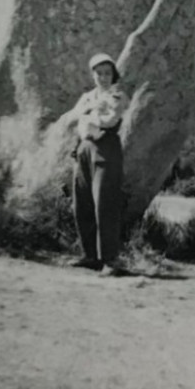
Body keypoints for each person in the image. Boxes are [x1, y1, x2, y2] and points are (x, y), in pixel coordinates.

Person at [70, 53, 129, 275]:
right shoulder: (87, 97)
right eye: (99, 73)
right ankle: (90, 256)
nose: (103, 77)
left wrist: (87, 116)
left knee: (105, 203)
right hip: (84, 148)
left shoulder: (118, 95)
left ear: (114, 74)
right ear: (92, 74)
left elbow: (109, 120)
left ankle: (110, 260)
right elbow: (75, 118)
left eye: (107, 73)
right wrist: (87, 115)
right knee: (81, 202)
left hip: (106, 148)